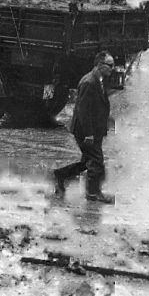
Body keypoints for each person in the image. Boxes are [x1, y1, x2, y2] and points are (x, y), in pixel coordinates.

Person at [52, 51, 115, 203]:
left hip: (94, 130)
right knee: (97, 161)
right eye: (110, 65)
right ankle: (93, 193)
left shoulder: (99, 80)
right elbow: (83, 111)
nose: (112, 68)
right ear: (100, 65)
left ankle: (60, 175)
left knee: (86, 162)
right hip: (86, 131)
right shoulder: (88, 82)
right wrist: (89, 134)